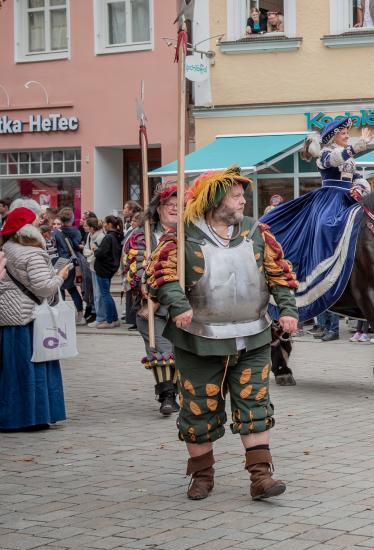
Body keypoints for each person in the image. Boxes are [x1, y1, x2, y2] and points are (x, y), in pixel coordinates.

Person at [147, 166, 299, 500]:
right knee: (198, 410)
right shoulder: (182, 235)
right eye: (236, 195)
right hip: (198, 339)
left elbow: (279, 274)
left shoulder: (257, 232)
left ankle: (261, 478)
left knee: (256, 406)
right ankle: (202, 475)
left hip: (253, 336)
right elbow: (161, 273)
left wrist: (287, 309)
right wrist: (176, 303)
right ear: (216, 199)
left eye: (243, 195)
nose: (243, 201)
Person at [264, 116, 372, 325]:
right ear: (333, 136)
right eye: (343, 133)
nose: (347, 136)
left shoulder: (350, 160)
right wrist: (359, 145)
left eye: (347, 133)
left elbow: (359, 178)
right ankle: (320, 266)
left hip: (348, 199)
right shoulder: (325, 153)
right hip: (329, 201)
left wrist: (360, 188)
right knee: (326, 226)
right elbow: (333, 160)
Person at [0, 207, 69, 431]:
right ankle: (33, 417)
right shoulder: (32, 253)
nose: (41, 222)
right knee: (34, 370)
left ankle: (10, 416)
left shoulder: (6, 249)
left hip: (8, 317)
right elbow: (43, 288)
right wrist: (60, 276)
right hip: (30, 318)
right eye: (36, 220)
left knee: (10, 371)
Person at [122, 184, 180, 416]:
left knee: (183, 349)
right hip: (152, 304)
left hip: (185, 303)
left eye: (180, 206)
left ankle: (182, 389)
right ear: (158, 208)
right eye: (170, 205)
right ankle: (167, 394)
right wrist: (142, 283)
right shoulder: (141, 235)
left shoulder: (190, 234)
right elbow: (133, 264)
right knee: (159, 349)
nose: (175, 209)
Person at [51, 207, 85, 318]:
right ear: (72, 218)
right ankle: (80, 312)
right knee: (72, 288)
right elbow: (78, 245)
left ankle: (61, 312)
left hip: (60, 262)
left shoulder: (56, 233)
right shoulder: (76, 231)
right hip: (72, 262)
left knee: (60, 287)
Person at [92, 215, 124, 328]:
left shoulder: (109, 237)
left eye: (105, 223)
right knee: (107, 294)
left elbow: (101, 254)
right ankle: (114, 319)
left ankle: (110, 320)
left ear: (110, 224)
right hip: (109, 269)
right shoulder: (117, 236)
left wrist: (96, 250)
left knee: (105, 294)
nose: (103, 225)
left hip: (103, 270)